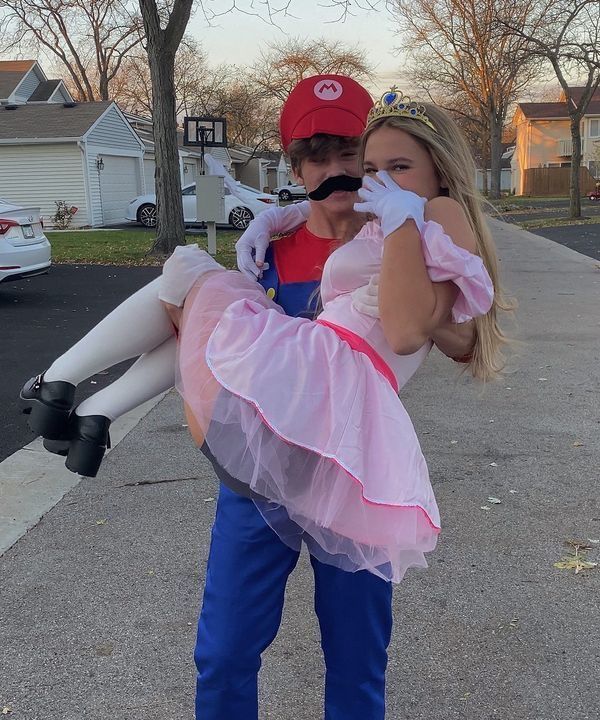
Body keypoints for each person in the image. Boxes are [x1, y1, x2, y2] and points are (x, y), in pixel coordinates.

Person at [19, 75, 506, 719]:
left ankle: (79, 399)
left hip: (347, 473)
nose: (335, 169)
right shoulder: (271, 242)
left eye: (347, 154)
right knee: (223, 656)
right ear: (295, 163)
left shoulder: (398, 226)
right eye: (314, 154)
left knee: (357, 663)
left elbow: (454, 333)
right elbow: (206, 346)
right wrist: (277, 223)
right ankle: (84, 405)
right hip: (260, 472)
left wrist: (421, 299)